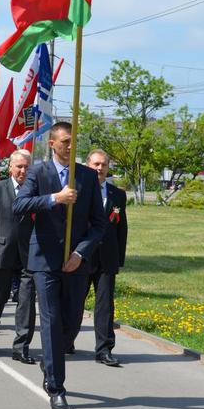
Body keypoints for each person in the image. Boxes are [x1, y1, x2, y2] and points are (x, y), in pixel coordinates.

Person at [13, 122, 107, 409]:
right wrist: (55, 198)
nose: (69, 146)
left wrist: (80, 253)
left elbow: (99, 224)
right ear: (52, 144)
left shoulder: (88, 177)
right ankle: (56, 387)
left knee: (72, 322)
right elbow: (20, 204)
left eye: (73, 142)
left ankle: (50, 359)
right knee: (51, 322)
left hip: (75, 262)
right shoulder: (39, 172)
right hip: (45, 260)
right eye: (65, 141)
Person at [71, 149, 128, 367]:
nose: (99, 168)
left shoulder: (117, 195)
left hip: (106, 259)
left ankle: (104, 349)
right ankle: (67, 341)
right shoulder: (77, 190)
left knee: (105, 305)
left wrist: (119, 259)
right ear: (87, 165)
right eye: (95, 164)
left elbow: (121, 229)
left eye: (103, 164)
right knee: (74, 302)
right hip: (81, 257)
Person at [0, 149, 37, 364]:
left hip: (29, 255)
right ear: (11, 168)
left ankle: (21, 346)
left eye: (26, 167)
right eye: (19, 166)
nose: (23, 171)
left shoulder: (35, 190)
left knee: (26, 301)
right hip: (2, 252)